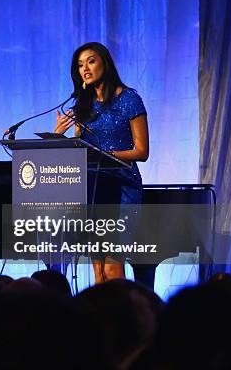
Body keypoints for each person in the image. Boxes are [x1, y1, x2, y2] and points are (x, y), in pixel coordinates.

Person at [54, 42, 149, 283]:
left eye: (91, 61)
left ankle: (125, 318)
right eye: (79, 65)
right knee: (98, 272)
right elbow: (78, 150)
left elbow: (142, 151)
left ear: (105, 63)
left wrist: (108, 155)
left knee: (112, 267)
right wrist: (58, 136)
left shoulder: (129, 99)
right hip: (93, 188)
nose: (84, 68)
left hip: (120, 186)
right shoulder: (82, 106)